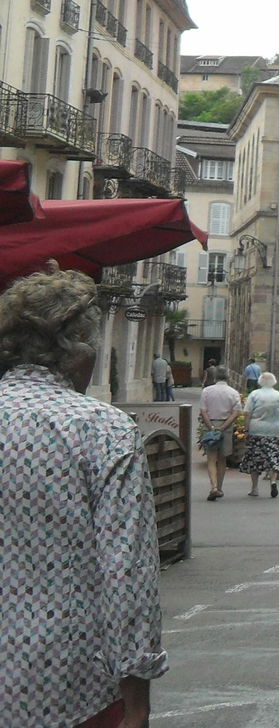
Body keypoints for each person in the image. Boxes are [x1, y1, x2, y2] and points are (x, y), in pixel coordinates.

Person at [0, 266, 168, 727]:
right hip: (67, 687)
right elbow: (127, 569)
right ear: (74, 348)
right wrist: (137, 700)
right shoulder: (102, 428)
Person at [239, 371, 279, 498]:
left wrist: (246, 429)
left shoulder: (254, 394)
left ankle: (255, 488)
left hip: (257, 430)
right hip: (274, 430)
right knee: (274, 456)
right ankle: (273, 481)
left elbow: (247, 413)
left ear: (260, 381)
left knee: (255, 459)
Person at [199, 365, 243, 501]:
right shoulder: (233, 392)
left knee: (211, 458)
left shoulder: (207, 391)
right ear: (228, 377)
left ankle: (213, 486)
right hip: (226, 426)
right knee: (222, 459)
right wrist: (223, 426)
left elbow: (203, 411)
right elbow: (236, 412)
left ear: (215, 377)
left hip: (210, 424)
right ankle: (220, 487)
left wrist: (211, 426)